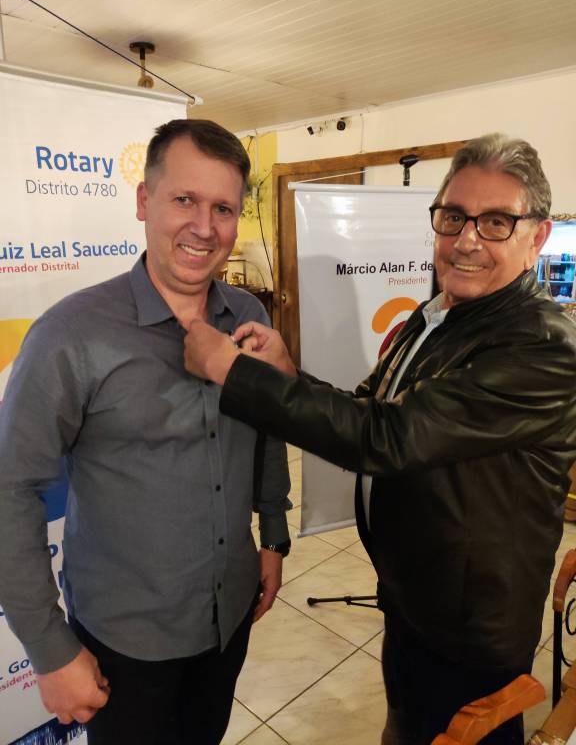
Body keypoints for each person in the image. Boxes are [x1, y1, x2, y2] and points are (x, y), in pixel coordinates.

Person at [183, 133, 576, 744]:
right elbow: (371, 407)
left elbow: (387, 437)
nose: (467, 239)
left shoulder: (541, 347)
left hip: (472, 627)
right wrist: (286, 373)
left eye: (497, 222)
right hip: (416, 593)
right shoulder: (440, 312)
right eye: (454, 217)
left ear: (538, 237)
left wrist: (233, 373)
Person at [0, 119, 291, 745]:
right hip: (125, 641)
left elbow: (267, 428)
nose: (204, 227)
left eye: (223, 209)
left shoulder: (248, 316)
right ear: (143, 201)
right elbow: (10, 488)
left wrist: (272, 531)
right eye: (184, 199)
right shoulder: (70, 334)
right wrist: (49, 649)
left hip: (229, 614)